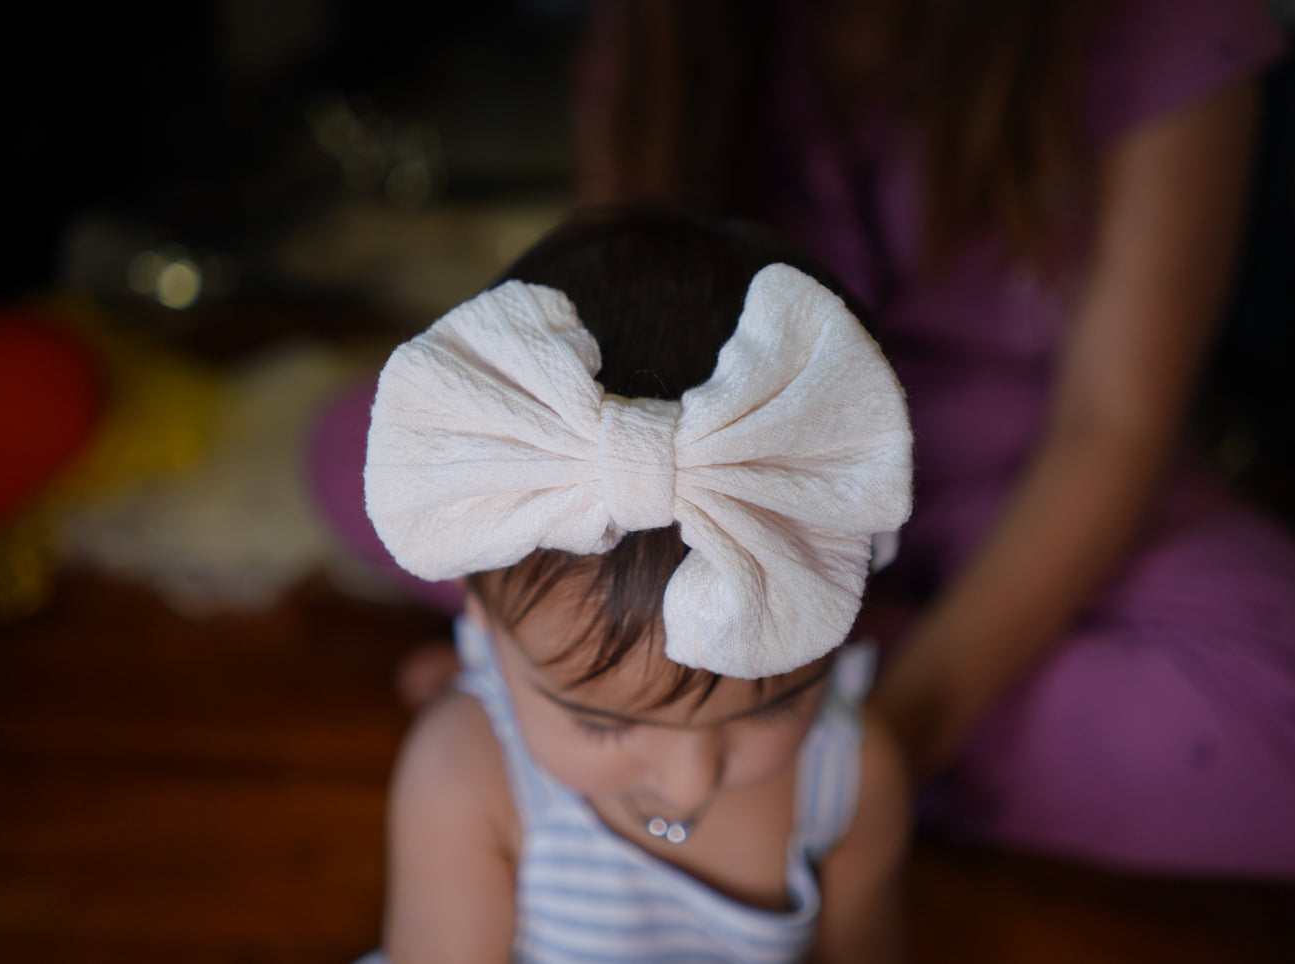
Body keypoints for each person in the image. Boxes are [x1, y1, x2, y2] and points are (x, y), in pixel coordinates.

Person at [570, 0, 1295, 881]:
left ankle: (619, 697)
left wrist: (886, 745)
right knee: (403, 441)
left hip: (1032, 476)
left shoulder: (1158, 24)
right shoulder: (669, 37)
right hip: (748, 477)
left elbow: (1109, 425)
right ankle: (689, 689)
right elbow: (622, 353)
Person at [359, 208, 914, 962]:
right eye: (603, 725)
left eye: (775, 704)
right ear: (482, 626)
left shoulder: (849, 773)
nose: (689, 784)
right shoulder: (468, 775)